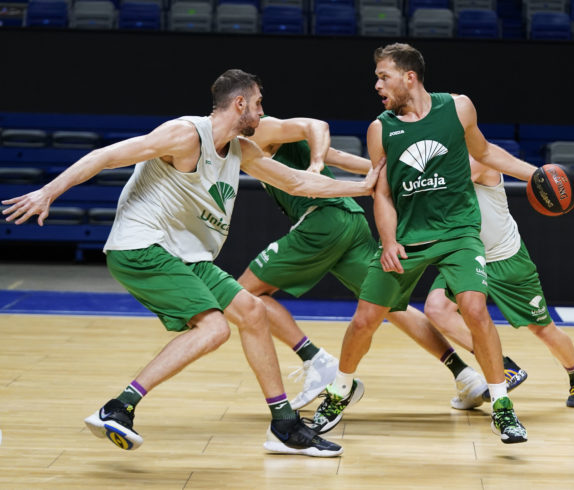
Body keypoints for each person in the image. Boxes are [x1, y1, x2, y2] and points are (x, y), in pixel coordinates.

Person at [1, 69, 382, 458]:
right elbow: (105, 155)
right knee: (215, 328)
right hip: (142, 247)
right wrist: (48, 192)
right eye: (259, 104)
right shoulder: (185, 135)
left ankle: (284, 425)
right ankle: (118, 407)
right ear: (240, 104)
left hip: (186, 255)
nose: (262, 112)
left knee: (251, 311)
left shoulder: (240, 149)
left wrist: (364, 186)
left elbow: (297, 183)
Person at [311, 43, 538, 444]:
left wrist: (534, 174)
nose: (377, 83)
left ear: (409, 77)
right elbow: (380, 193)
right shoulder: (381, 129)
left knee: (473, 307)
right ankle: (339, 390)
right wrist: (388, 241)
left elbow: (484, 152)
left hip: (458, 232)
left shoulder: (459, 107)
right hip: (409, 239)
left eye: (384, 75)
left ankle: (502, 407)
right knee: (365, 319)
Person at [236, 115, 497, 421]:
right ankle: (465, 375)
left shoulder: (262, 129)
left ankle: (315, 359)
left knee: (243, 294)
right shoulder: (244, 147)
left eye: (257, 103)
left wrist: (316, 163)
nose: (260, 109)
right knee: (388, 304)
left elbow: (318, 127)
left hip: (322, 219)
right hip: (349, 217)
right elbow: (342, 157)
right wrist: (383, 170)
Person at [424, 157, 574, 409]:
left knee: (542, 328)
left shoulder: (478, 161)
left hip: (506, 259)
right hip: (467, 256)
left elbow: (438, 189)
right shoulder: (435, 157)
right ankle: (503, 366)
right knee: (437, 309)